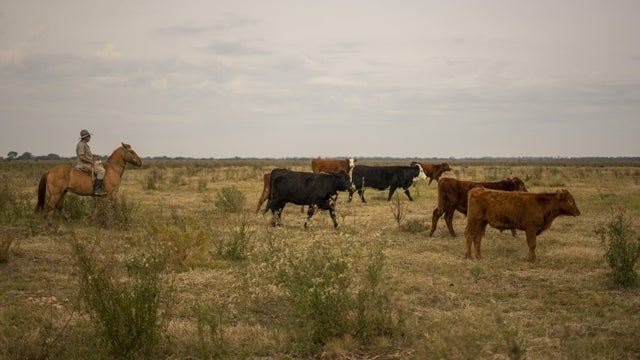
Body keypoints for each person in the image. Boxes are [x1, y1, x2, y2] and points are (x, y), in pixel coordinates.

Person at [76, 129, 106, 196]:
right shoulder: (81, 145)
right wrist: (91, 162)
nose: (90, 137)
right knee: (102, 171)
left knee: (101, 165)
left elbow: (87, 155)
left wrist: (95, 155)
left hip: (88, 163)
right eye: (89, 136)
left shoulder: (85, 144)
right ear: (85, 137)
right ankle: (97, 189)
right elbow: (81, 157)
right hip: (83, 164)